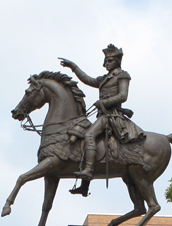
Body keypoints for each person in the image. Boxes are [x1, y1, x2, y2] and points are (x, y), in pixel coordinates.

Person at [59, 44, 145, 196]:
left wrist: (104, 102)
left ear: (117, 61)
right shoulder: (105, 79)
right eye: (106, 60)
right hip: (103, 115)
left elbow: (123, 96)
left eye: (110, 60)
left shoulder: (123, 75)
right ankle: (84, 185)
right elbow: (87, 79)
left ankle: (88, 170)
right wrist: (73, 67)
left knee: (89, 135)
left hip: (112, 116)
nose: (106, 63)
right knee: (82, 136)